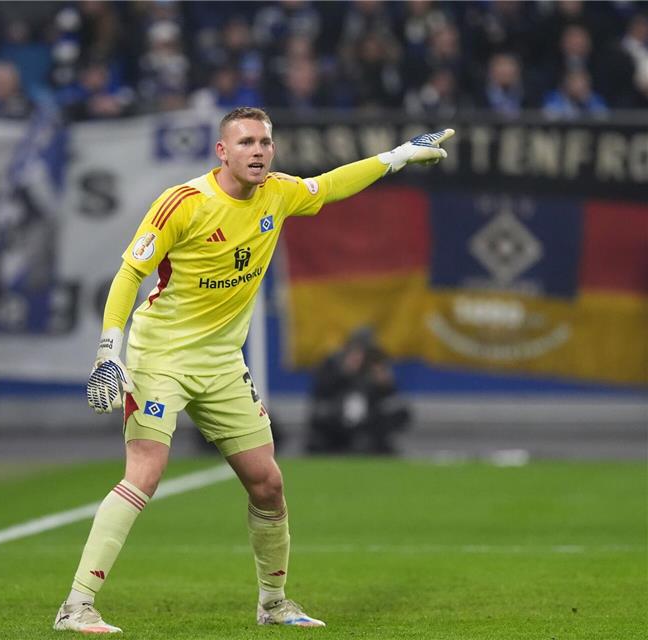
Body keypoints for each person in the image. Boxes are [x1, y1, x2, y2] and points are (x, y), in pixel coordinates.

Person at [53, 107, 454, 633]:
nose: (259, 151)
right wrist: (110, 347)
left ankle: (273, 604)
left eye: (265, 141)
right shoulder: (183, 204)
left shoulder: (278, 194)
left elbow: (329, 186)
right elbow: (131, 272)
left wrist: (397, 156)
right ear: (222, 151)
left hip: (221, 363)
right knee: (145, 473)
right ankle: (76, 606)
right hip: (162, 358)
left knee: (267, 483)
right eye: (245, 142)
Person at [306, 328, 411, 456]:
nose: (360, 358)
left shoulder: (375, 372)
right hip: (334, 429)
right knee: (317, 445)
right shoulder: (332, 367)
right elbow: (318, 405)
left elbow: (397, 410)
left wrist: (385, 386)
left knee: (370, 446)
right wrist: (344, 373)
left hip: (366, 430)